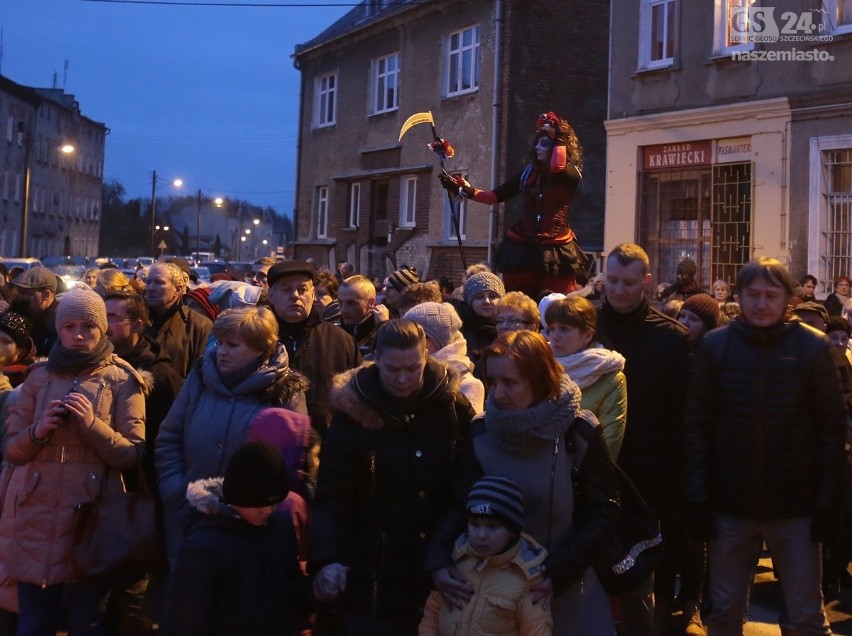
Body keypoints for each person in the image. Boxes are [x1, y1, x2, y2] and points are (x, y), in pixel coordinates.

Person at [686, 257, 847, 635]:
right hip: (731, 503)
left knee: (806, 614)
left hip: (796, 505)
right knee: (724, 612)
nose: (761, 304)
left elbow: (832, 429)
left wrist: (828, 500)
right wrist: (697, 495)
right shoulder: (716, 346)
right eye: (753, 295)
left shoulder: (813, 348)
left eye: (770, 295)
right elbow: (697, 425)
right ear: (739, 297)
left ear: (788, 299)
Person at [439, 331, 620, 634]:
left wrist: (558, 571)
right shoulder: (480, 432)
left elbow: (603, 509)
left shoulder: (578, 432)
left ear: (539, 380)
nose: (497, 394)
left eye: (509, 383)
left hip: (564, 589)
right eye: (492, 381)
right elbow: (460, 504)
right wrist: (438, 561)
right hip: (493, 599)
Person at [310, 319, 476, 635]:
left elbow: (465, 487)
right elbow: (332, 496)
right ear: (376, 361)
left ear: (427, 356)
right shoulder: (354, 413)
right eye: (392, 369)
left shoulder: (450, 406)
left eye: (413, 368)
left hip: (440, 564)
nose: (403, 378)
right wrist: (326, 559)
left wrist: (442, 554)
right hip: (373, 572)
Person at [3, 286, 146, 635]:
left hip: (91, 517)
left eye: (88, 327)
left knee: (86, 622)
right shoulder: (38, 377)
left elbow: (132, 453)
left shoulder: (122, 379)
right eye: (69, 327)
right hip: (37, 514)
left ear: (102, 330)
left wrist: (91, 425)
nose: (79, 335)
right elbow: (12, 450)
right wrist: (38, 431)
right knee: (35, 621)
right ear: (59, 329)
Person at [156, 306, 309, 565]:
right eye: (220, 342)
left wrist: (256, 506)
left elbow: (292, 464)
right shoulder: (200, 377)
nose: (221, 351)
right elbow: (169, 437)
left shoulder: (284, 391)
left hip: (250, 523)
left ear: (264, 348)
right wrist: (176, 489)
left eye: (233, 345)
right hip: (190, 513)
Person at [595, 243, 690, 636]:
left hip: (647, 474)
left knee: (640, 578)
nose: (617, 290)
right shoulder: (586, 327)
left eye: (628, 283)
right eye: (612, 280)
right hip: (591, 468)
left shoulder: (670, 338)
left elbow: (682, 416)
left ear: (646, 282)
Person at [167, 441, 311, 635]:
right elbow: (188, 618)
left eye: (274, 504)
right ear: (238, 497)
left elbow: (289, 590)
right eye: (259, 505)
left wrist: (316, 589)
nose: (267, 511)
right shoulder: (204, 546)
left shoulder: (280, 528)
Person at [439, 112, 586, 298]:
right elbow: (494, 196)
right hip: (521, 246)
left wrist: (560, 135)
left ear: (559, 146)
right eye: (537, 143)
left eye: (544, 144)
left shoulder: (571, 174)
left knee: (555, 301)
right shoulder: (528, 173)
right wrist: (465, 190)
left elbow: (557, 167)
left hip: (555, 248)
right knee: (518, 299)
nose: (538, 148)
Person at [419, 476, 552, 636]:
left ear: (511, 531)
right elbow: (433, 612)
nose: (481, 535)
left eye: (492, 526)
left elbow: (536, 630)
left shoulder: (527, 578)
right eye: (474, 524)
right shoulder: (455, 559)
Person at [265, 260, 360, 439]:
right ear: (271, 295)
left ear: (313, 294)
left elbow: (358, 402)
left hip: (326, 450)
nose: (295, 296)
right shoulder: (257, 340)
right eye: (286, 290)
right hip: (268, 448)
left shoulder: (341, 341)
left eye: (302, 289)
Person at [543, 296, 627, 460]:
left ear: (587, 336)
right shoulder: (538, 364)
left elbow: (608, 444)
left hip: (579, 473)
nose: (555, 336)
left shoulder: (609, 376)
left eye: (564, 329)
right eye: (552, 328)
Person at [405, 302, 485, 414]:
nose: (412, 343)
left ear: (442, 341)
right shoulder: (403, 375)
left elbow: (470, 430)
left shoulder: (468, 384)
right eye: (408, 337)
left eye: (423, 337)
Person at [144, 262, 213, 378]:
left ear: (178, 289)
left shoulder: (200, 325)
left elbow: (201, 375)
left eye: (159, 282)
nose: (150, 288)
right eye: (148, 282)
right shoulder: (135, 320)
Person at [8, 266, 60, 357]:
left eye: (25, 293)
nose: (20, 298)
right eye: (18, 293)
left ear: (45, 295)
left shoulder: (60, 323)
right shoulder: (19, 315)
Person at [336, 274, 387, 358]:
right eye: (340, 302)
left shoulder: (381, 332)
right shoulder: (333, 331)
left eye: (351, 303)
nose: (343, 310)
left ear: (371, 303)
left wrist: (384, 328)